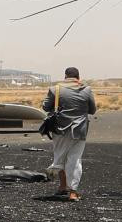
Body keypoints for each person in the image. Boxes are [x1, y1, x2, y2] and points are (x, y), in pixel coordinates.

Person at [41, 67, 96, 200]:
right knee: (75, 160)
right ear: (78, 77)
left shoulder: (55, 89)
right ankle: (73, 191)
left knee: (60, 157)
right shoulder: (87, 90)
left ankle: (62, 186)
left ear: (65, 76)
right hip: (79, 130)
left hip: (60, 129)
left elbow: (45, 107)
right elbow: (92, 110)